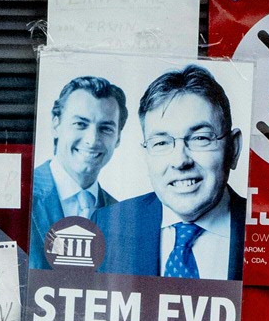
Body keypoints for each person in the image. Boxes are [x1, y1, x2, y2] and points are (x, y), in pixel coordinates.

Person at [97, 65, 245, 281]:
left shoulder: (268, 234)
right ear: (146, 154)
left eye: (200, 138)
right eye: (161, 143)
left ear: (233, 148)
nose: (180, 161)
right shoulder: (106, 225)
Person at [30, 77, 128, 269]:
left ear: (118, 138)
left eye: (106, 128)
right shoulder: (19, 195)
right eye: (81, 124)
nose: (92, 140)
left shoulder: (123, 217)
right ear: (55, 124)